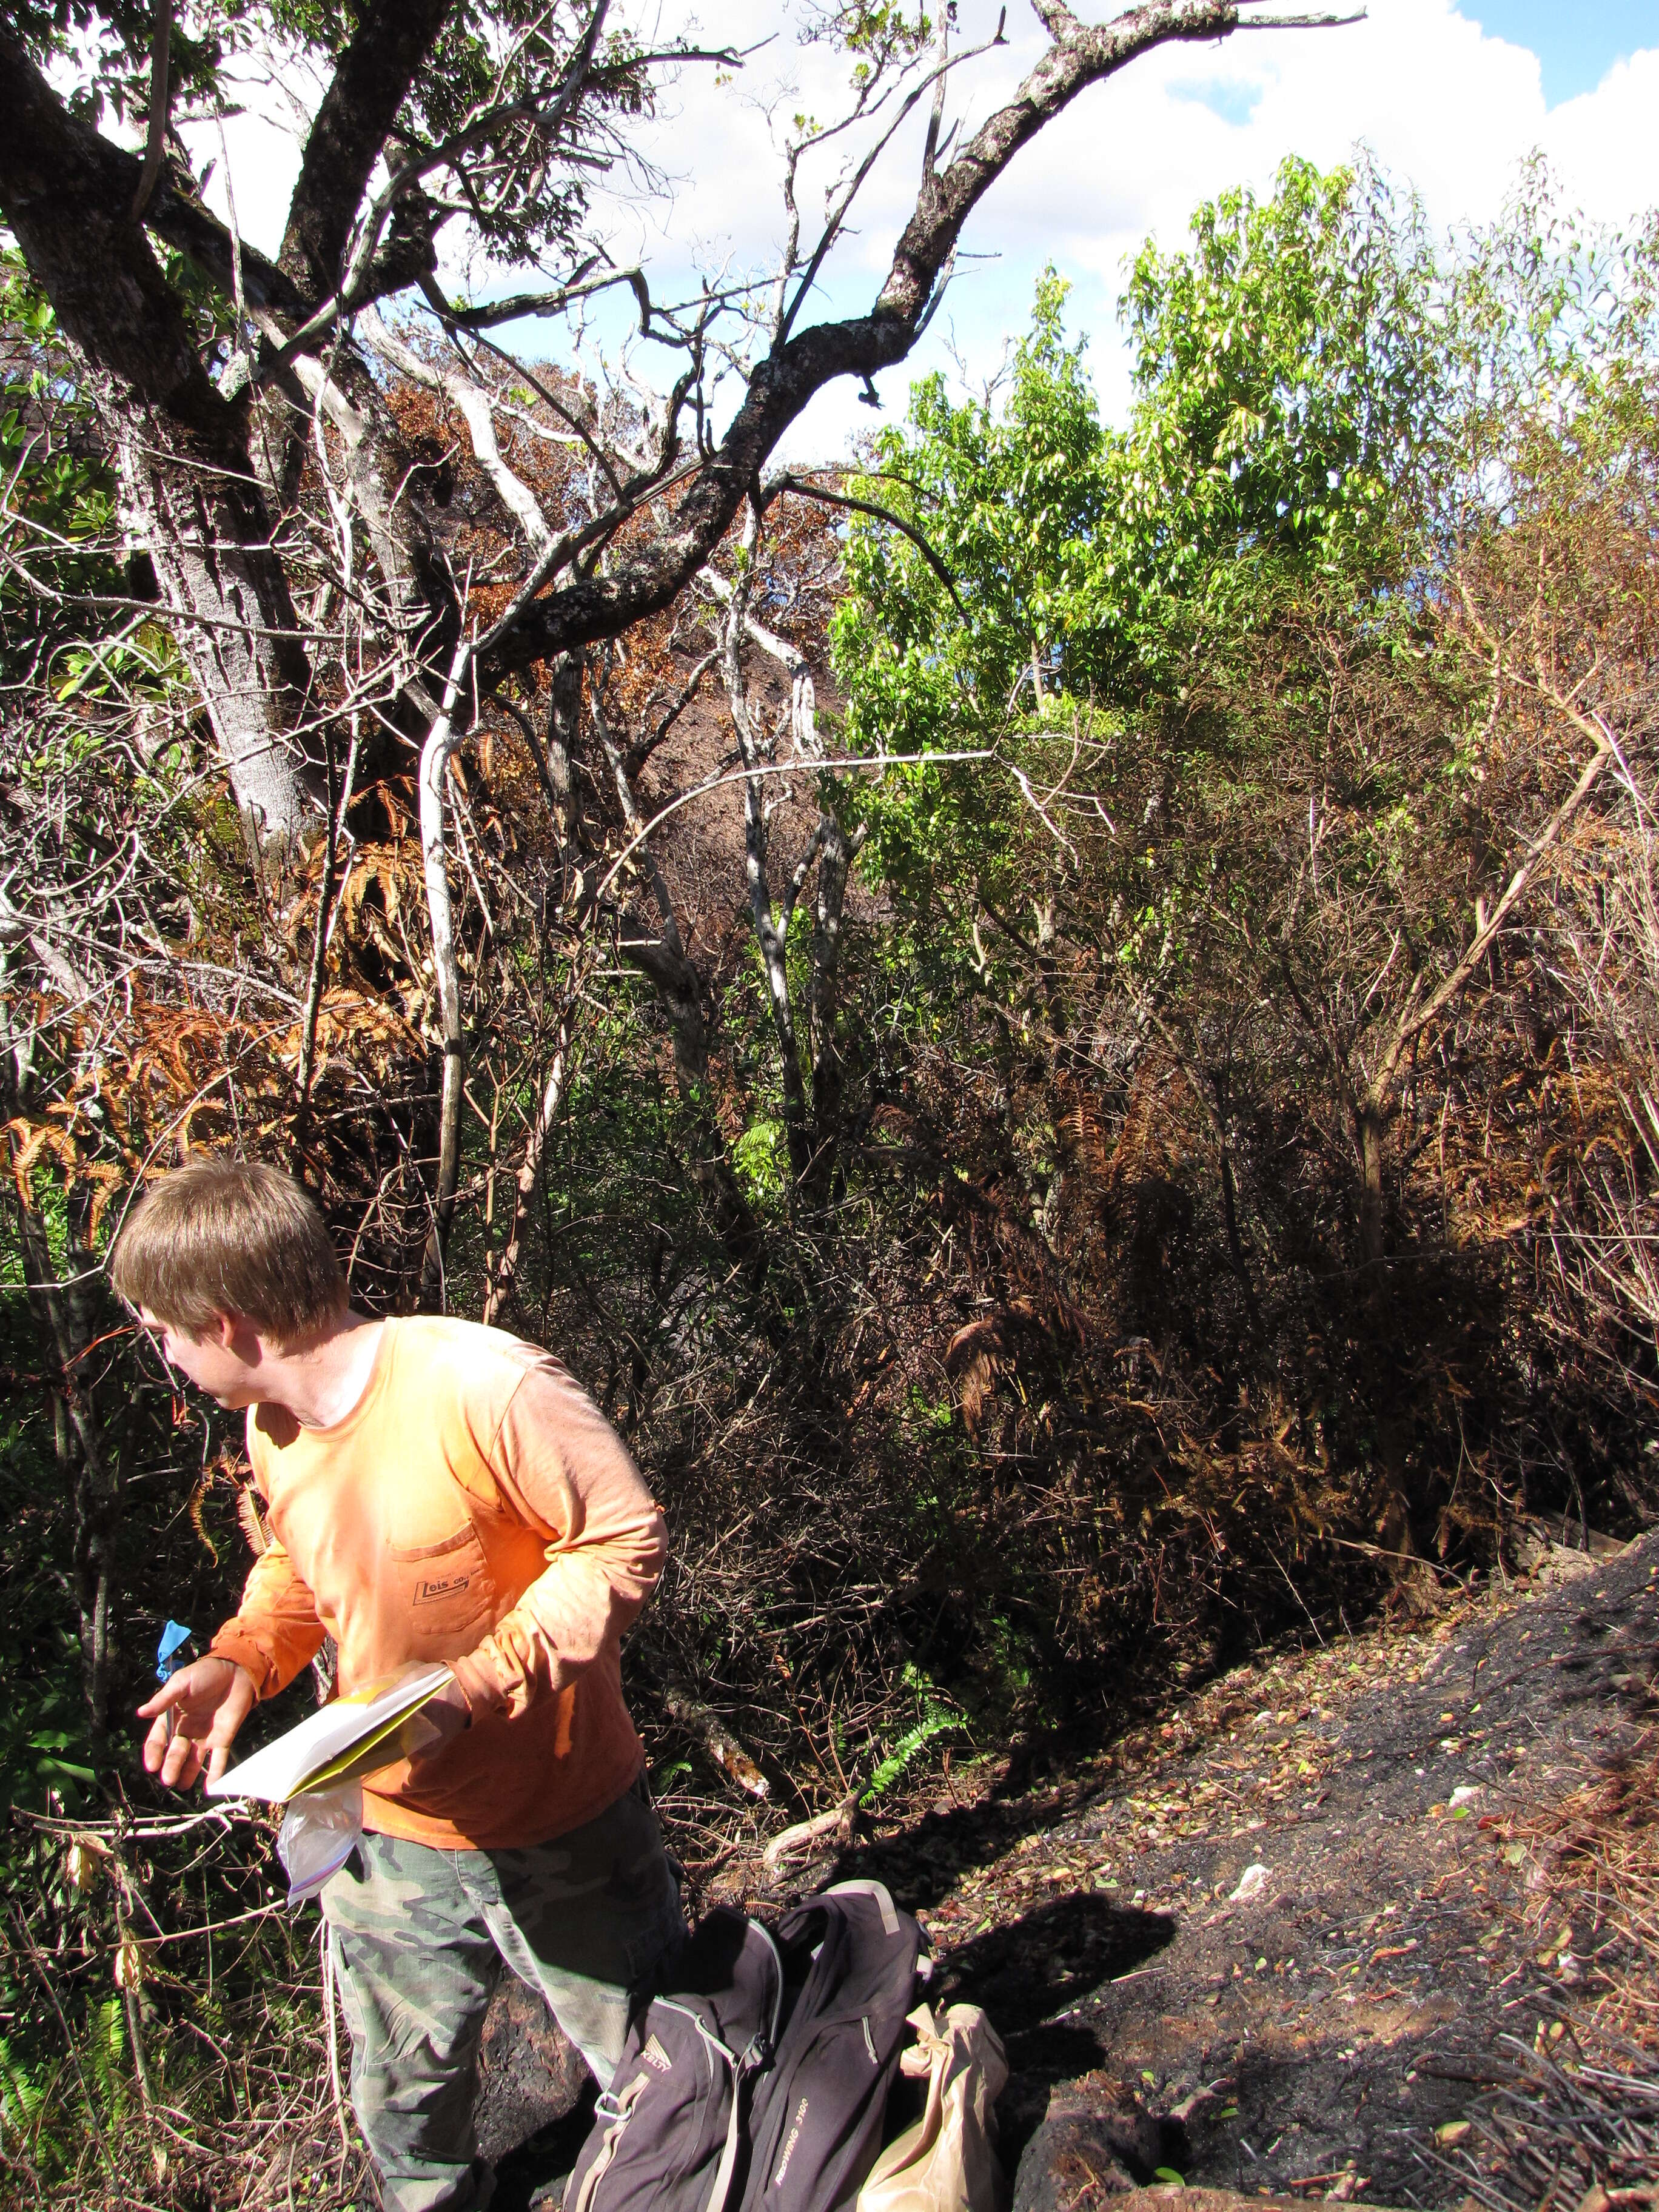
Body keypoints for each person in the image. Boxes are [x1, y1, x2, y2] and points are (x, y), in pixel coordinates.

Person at [113, 1153, 684, 2212]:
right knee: (407, 2123)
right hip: (389, 1845)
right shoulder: (272, 1428)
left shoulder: (482, 1386)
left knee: (666, 2080)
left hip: (562, 1821)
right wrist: (242, 1657)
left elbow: (622, 1543)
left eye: (162, 1334)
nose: (165, 1358)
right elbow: (299, 1559)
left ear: (227, 1323)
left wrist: (473, 1686)